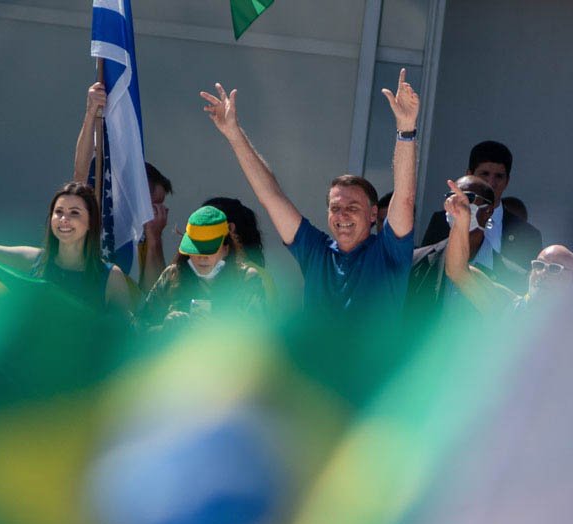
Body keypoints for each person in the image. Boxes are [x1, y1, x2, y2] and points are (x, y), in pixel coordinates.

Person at [202, 70, 418, 326]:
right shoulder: (317, 251)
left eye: (353, 207)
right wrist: (234, 134)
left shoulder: (388, 251)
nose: (342, 215)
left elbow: (404, 197)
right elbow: (271, 197)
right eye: (335, 208)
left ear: (373, 215)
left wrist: (406, 129)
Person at [0, 182, 132, 312]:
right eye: (59, 212)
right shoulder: (33, 260)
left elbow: (124, 342)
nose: (64, 219)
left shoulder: (110, 277)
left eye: (74, 213)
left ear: (91, 221)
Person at [74, 81, 172, 292]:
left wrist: (154, 238)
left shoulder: (144, 236)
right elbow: (80, 175)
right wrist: (91, 113)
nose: (155, 212)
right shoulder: (102, 208)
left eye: (159, 206)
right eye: (151, 203)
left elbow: (151, 293)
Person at [419, 141, 542, 293]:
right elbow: (425, 270)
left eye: (499, 176)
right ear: (469, 174)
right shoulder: (443, 220)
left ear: (507, 181)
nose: (491, 182)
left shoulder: (527, 235)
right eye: (484, 174)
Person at [441, 179, 573, 316]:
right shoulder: (506, 306)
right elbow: (457, 271)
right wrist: (461, 220)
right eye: (539, 265)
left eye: (554, 269)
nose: (542, 273)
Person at [134, 205, 266, 332]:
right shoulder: (172, 274)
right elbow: (138, 328)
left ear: (226, 249)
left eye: (209, 250)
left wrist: (222, 331)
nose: (202, 257)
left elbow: (261, 337)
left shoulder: (247, 279)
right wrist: (165, 328)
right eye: (196, 250)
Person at [402, 175, 497, 332]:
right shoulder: (417, 261)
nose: (456, 203)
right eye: (451, 197)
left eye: (467, 198)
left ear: (488, 211)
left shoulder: (511, 272)